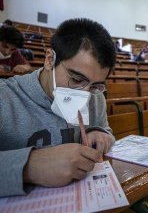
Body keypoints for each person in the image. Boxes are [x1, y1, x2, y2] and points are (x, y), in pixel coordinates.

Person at [0, 18, 116, 197]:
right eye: (77, 79)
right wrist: (28, 167)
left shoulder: (96, 96)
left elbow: (105, 130)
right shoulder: (5, 98)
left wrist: (100, 133)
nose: (85, 95)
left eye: (95, 85)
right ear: (49, 60)